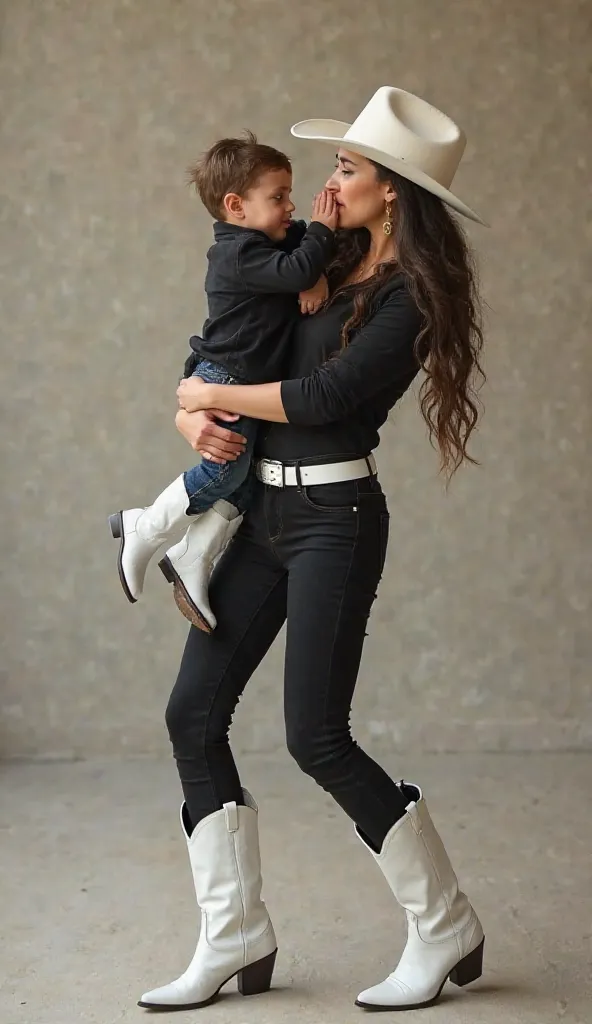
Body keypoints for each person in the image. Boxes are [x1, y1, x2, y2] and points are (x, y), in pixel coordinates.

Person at [138, 86, 487, 1013]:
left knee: (315, 737)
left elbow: (325, 398)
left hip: (338, 520)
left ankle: (445, 924)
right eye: (335, 166)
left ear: (393, 193)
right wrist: (188, 411)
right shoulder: (308, 259)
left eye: (348, 168)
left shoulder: (408, 297)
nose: (329, 183)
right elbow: (226, 346)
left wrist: (204, 397)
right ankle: (234, 936)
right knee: (190, 717)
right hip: (262, 516)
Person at [109, 133, 336, 631]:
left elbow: (299, 257)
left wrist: (312, 273)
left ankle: (194, 557)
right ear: (236, 206)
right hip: (226, 376)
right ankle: (144, 527)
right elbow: (300, 258)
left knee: (246, 476)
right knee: (224, 474)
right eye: (277, 197)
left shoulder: (263, 243)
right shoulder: (236, 255)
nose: (292, 207)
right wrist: (318, 239)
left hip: (241, 378)